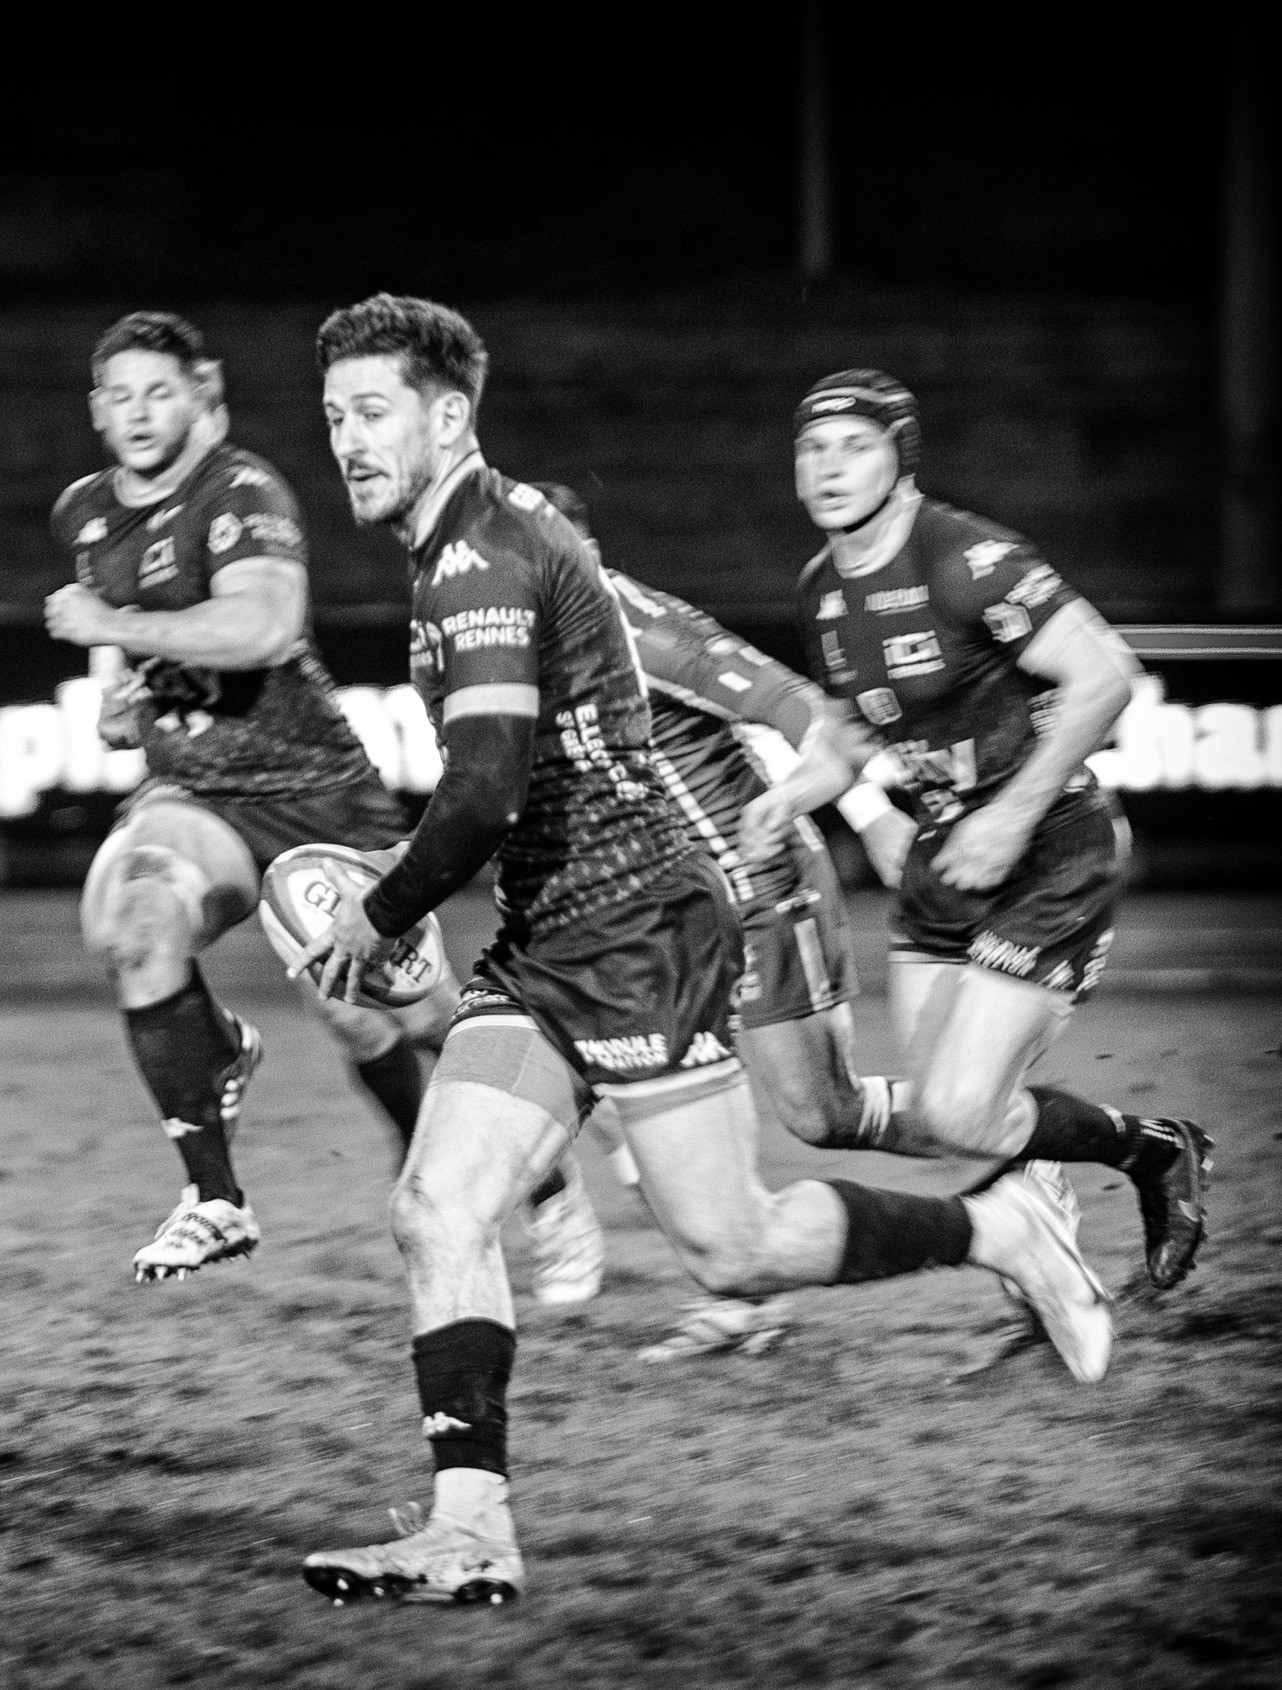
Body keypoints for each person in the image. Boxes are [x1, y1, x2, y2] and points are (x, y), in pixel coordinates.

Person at [296, 296, 1114, 1606]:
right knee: (435, 1206)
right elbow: (508, 788)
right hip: (553, 936)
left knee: (733, 1250)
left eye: (373, 410)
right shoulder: (465, 541)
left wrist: (378, 912)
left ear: (448, 418)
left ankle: (998, 1226)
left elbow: (485, 789)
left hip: (635, 934)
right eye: (335, 413)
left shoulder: (482, 556)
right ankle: (468, 1529)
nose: (346, 437)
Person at [740, 369, 1211, 1295]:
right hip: (945, 861)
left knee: (961, 1110)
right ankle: (1059, 1229)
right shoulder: (820, 588)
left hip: (1049, 852)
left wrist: (1013, 813)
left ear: (902, 463)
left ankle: (1155, 1153)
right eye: (812, 449)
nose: (829, 468)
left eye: (856, 448)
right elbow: (853, 734)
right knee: (953, 1118)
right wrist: (790, 796)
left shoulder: (968, 558)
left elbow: (1107, 677)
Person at [44, 311, 463, 1280]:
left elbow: (264, 628)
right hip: (198, 793)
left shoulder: (242, 490)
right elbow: (119, 629)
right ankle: (215, 1197)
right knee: (136, 927)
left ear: (202, 395)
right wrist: (119, 696)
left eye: (159, 391)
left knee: (403, 1015)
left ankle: (548, 1179)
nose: (138, 411)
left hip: (316, 795)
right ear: (97, 411)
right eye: (120, 395)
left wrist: (109, 626)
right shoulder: (83, 512)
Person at [530, 481, 918, 1359]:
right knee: (624, 1091)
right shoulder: (514, 647)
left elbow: (800, 711)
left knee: (822, 1112)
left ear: (584, 556)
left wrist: (873, 818)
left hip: (754, 891)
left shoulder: (642, 630)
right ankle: (739, 1292)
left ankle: (1014, 1140)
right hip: (655, 914)